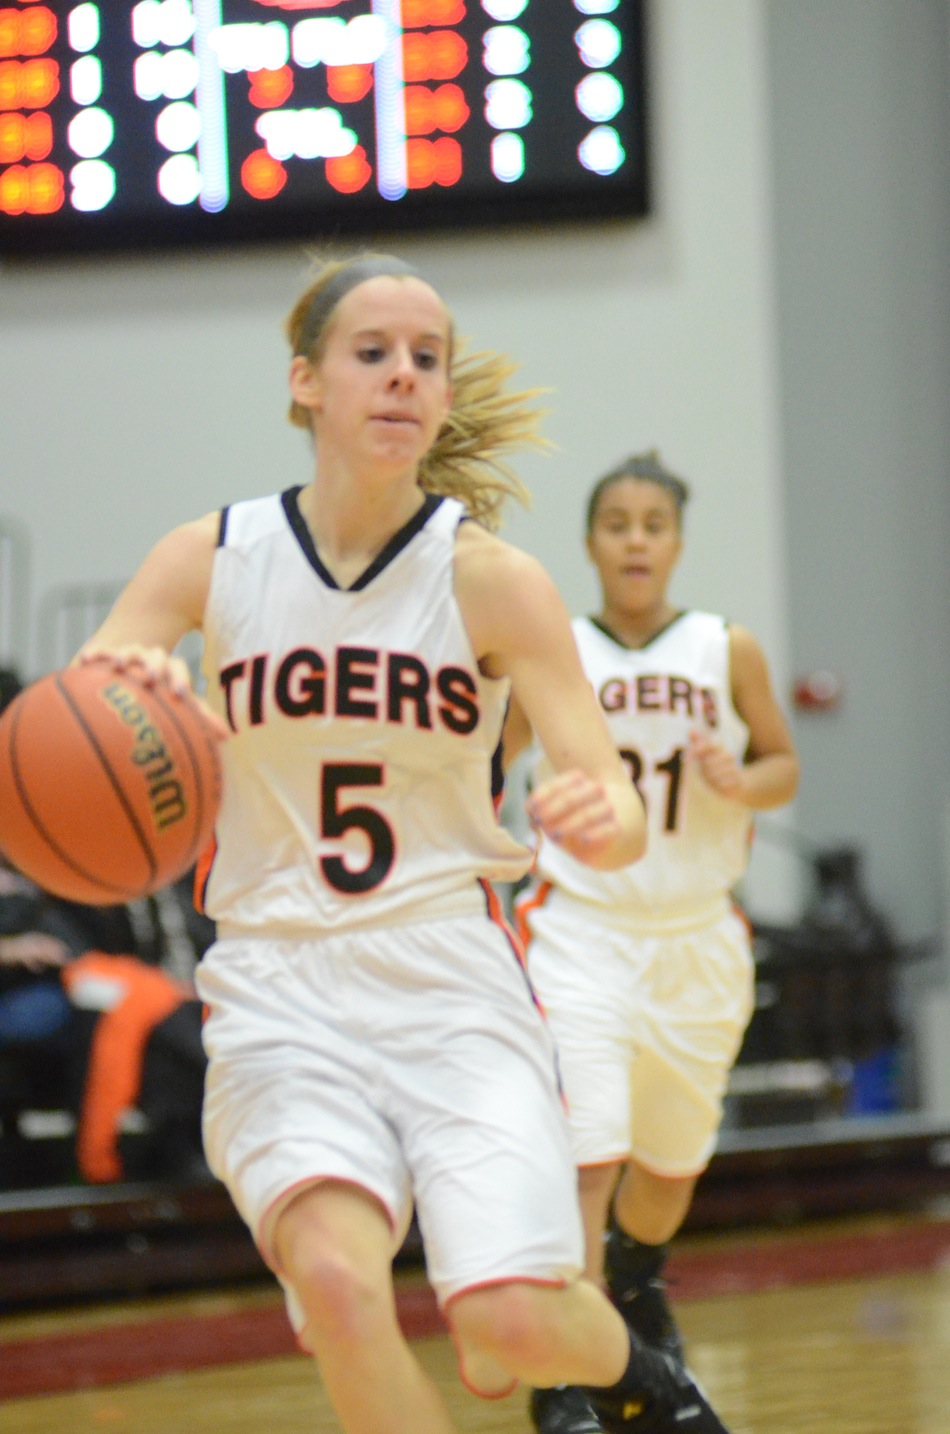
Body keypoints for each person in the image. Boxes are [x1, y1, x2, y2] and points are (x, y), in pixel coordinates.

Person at [75, 257, 735, 1434]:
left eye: (425, 357)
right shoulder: (207, 558)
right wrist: (119, 693)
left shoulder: (492, 581)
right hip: (276, 982)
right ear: (305, 383)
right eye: (370, 352)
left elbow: (608, 786)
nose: (401, 376)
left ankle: (646, 1378)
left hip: (449, 982)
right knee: (336, 1286)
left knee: (505, 1337)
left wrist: (604, 813)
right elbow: (83, 713)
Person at [506, 451, 800, 1434]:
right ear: (590, 542)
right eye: (616, 523)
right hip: (579, 925)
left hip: (695, 937)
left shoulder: (727, 647)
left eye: (652, 524)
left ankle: (629, 1291)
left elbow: (781, 766)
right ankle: (562, 1370)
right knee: (588, 1152)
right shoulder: (555, 650)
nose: (634, 539)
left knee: (668, 1168)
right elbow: (492, 756)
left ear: (675, 542)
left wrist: (739, 779)